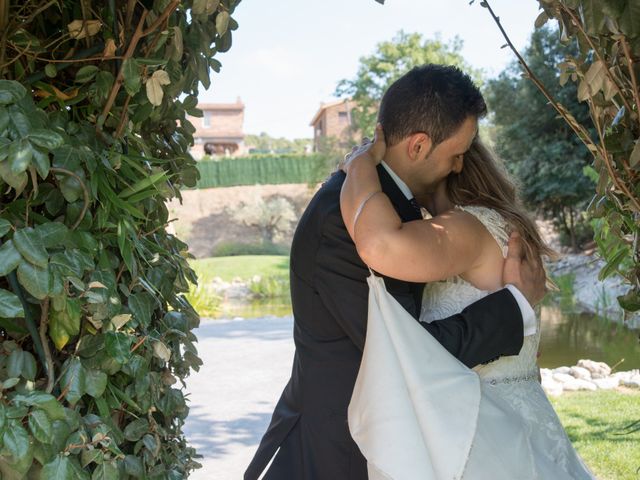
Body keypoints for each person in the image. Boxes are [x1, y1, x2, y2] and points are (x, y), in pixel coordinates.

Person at [244, 64, 546, 480]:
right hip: (339, 449)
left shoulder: (382, 205)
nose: (459, 167)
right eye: (455, 154)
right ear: (418, 146)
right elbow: (404, 351)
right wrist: (514, 309)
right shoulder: (344, 218)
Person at [340, 128, 596, 476]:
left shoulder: (466, 227)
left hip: (482, 428)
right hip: (520, 410)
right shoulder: (501, 225)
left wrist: (359, 168)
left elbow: (380, 244)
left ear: (452, 166)